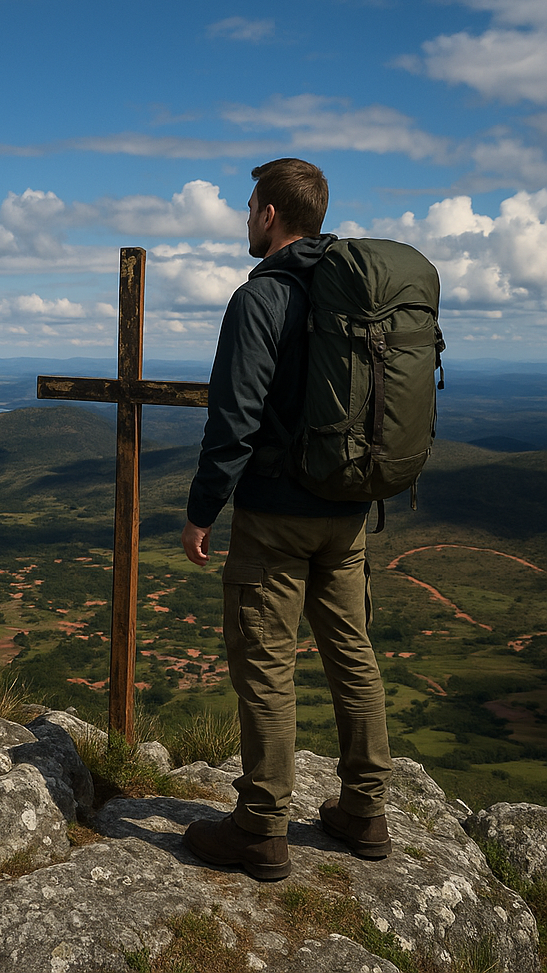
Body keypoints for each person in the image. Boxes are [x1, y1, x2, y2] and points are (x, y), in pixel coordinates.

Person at [180, 158, 393, 881]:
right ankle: (365, 811)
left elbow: (233, 417)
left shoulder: (261, 297)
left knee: (267, 664)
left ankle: (261, 827)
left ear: (271, 214)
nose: (246, 220)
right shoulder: (356, 297)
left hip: (275, 515)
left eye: (249, 209)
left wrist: (202, 509)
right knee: (351, 653)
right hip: (349, 510)